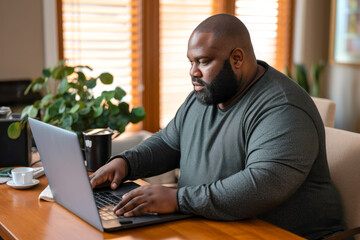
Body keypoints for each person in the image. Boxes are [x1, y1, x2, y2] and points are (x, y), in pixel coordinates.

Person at [90, 14, 345, 239]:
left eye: (203, 61)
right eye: (190, 62)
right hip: (208, 225)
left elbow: (261, 185)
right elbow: (169, 142)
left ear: (237, 58)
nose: (193, 72)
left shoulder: (284, 109)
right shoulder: (207, 95)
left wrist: (178, 200)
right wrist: (126, 164)